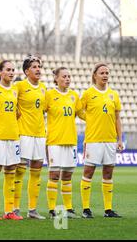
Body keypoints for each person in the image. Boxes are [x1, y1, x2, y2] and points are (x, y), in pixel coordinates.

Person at [80, 63, 123, 218]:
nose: (105, 75)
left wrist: (119, 139)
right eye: (102, 73)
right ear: (95, 75)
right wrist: (89, 119)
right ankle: (86, 209)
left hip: (110, 140)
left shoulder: (113, 95)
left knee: (108, 172)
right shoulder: (88, 93)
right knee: (88, 172)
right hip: (93, 139)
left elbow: (117, 118)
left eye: (107, 73)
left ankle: (108, 209)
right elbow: (79, 110)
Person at [45, 67, 84, 219]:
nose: (67, 79)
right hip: (54, 141)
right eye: (64, 76)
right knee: (54, 175)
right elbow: (39, 111)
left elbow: (81, 114)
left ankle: (68, 208)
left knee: (67, 176)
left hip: (71, 141)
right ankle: (52, 209)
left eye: (69, 76)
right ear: (56, 78)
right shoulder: (49, 95)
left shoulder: (74, 96)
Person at [0, 60, 23, 221]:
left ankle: (9, 211)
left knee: (11, 172)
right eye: (8, 70)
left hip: (13, 135)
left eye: (13, 70)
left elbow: (17, 112)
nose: (11, 72)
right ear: (0, 72)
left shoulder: (15, 89)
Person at [13, 55, 47, 219]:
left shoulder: (44, 88)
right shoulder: (19, 86)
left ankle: (32, 210)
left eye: (39, 66)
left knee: (36, 172)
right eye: (34, 67)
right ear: (26, 71)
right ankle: (14, 208)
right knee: (19, 171)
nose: (38, 69)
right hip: (24, 133)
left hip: (40, 134)